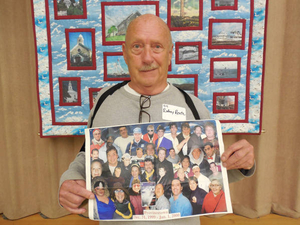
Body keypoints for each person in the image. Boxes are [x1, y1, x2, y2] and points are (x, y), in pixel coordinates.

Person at [59, 14, 255, 225]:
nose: (147, 58)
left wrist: (243, 165)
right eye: (137, 47)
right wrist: (69, 178)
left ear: (170, 53)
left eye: (157, 47)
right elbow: (86, 154)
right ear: (124, 53)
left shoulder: (194, 106)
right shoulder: (104, 100)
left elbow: (212, 170)